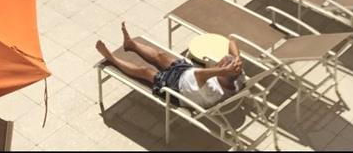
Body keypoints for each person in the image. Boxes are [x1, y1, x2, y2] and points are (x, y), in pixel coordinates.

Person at [96, 23, 244, 110]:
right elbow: (232, 39)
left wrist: (223, 69)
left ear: (223, 73)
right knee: (160, 56)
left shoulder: (215, 92)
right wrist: (237, 58)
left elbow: (200, 75)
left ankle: (112, 59)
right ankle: (131, 44)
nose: (220, 61)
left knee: (145, 71)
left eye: (222, 64)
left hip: (177, 90)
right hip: (187, 72)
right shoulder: (237, 77)